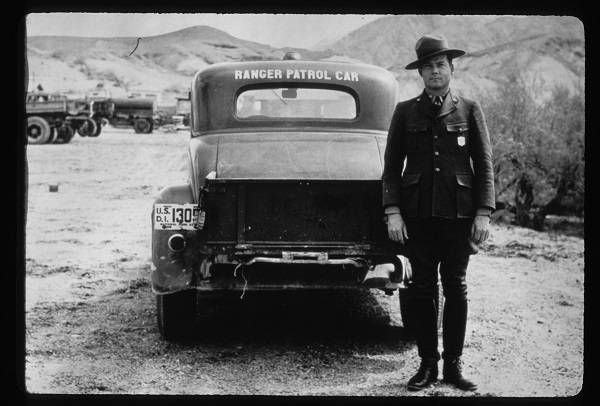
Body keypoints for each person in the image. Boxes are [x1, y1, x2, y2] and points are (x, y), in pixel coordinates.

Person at [382, 34, 495, 392]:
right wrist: (393, 211)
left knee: (457, 289)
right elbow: (391, 167)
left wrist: (483, 212)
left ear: (451, 68)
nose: (435, 72)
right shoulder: (405, 112)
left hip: (459, 217)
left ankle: (454, 366)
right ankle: (427, 364)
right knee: (422, 290)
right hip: (417, 219)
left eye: (440, 65)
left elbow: (485, 164)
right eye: (428, 66)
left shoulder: (469, 109)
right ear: (420, 73)